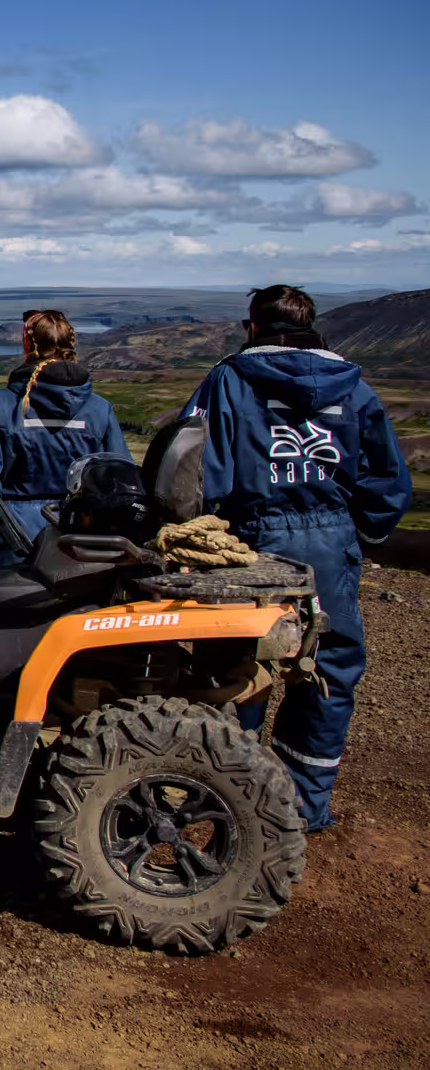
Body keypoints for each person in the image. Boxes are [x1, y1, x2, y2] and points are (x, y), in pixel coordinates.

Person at [185, 284, 409, 832]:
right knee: (327, 672)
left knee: (233, 667)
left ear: (253, 327)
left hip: (250, 543)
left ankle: (227, 797)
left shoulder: (230, 380)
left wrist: (204, 533)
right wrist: (356, 539)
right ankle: (304, 806)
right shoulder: (355, 388)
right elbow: (387, 479)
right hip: (331, 544)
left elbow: (195, 467)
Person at [0, 309, 127, 566]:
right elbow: (119, 475)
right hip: (81, 540)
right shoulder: (100, 408)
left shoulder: (0, 405)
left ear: (28, 344)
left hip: (13, 541)